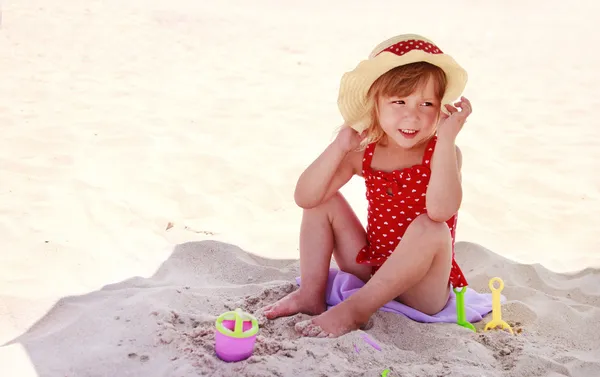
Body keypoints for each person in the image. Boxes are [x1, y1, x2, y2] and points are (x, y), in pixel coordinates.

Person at [262, 34, 473, 338]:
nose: (411, 115)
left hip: (423, 287)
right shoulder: (367, 152)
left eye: (426, 103)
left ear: (441, 109)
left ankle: (355, 310)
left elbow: (441, 211)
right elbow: (305, 198)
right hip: (373, 266)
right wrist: (339, 146)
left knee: (432, 227)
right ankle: (311, 293)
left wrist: (447, 140)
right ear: (375, 103)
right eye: (398, 101)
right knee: (324, 199)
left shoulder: (443, 153)